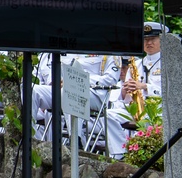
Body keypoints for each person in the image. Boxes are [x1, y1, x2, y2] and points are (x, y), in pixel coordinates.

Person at [106, 21, 167, 157]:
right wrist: (125, 91)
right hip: (137, 110)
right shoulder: (137, 64)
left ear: (162, 40)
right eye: (145, 39)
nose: (148, 43)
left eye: (152, 39)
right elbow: (126, 99)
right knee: (109, 115)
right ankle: (120, 153)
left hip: (158, 111)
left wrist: (144, 87)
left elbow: (171, 93)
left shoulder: (169, 64)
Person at [31, 52, 120, 143]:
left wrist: (80, 80)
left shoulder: (108, 49)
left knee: (71, 88)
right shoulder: (69, 45)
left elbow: (110, 79)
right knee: (32, 90)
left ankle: (75, 140)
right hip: (64, 89)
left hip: (95, 94)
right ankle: (31, 139)